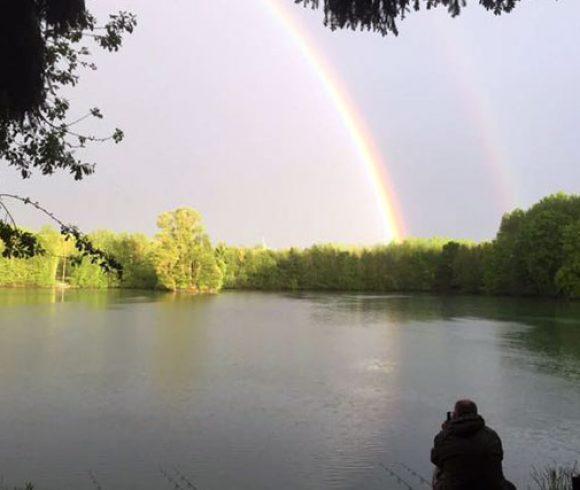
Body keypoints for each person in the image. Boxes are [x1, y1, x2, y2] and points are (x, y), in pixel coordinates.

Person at [431, 399, 516, 490]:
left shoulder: (444, 437)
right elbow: (499, 457)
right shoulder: (492, 436)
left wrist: (446, 431)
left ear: (455, 415)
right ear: (476, 414)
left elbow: (435, 459)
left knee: (438, 469)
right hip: (490, 487)